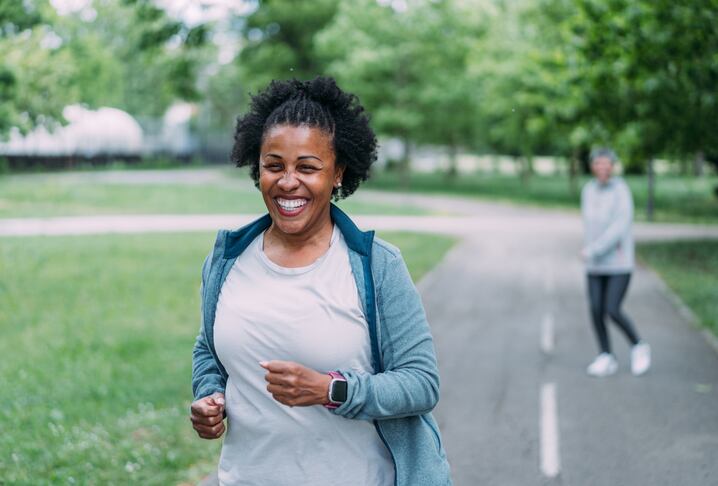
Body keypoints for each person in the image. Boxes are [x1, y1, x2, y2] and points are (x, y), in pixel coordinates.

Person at [190, 76, 452, 485]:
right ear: (256, 168)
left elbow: (421, 384)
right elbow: (209, 347)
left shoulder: (376, 266)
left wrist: (330, 390)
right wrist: (211, 396)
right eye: (273, 165)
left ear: (337, 174)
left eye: (307, 167)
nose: (287, 181)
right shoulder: (226, 261)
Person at [580, 147, 651, 377]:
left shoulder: (621, 190)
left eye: (606, 163)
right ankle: (606, 356)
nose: (602, 167)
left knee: (612, 309)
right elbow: (589, 225)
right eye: (597, 163)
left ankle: (639, 346)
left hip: (618, 263)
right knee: (596, 310)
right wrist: (591, 252)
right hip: (594, 264)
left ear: (612, 166)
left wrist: (594, 249)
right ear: (592, 166)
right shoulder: (588, 190)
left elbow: (619, 227)